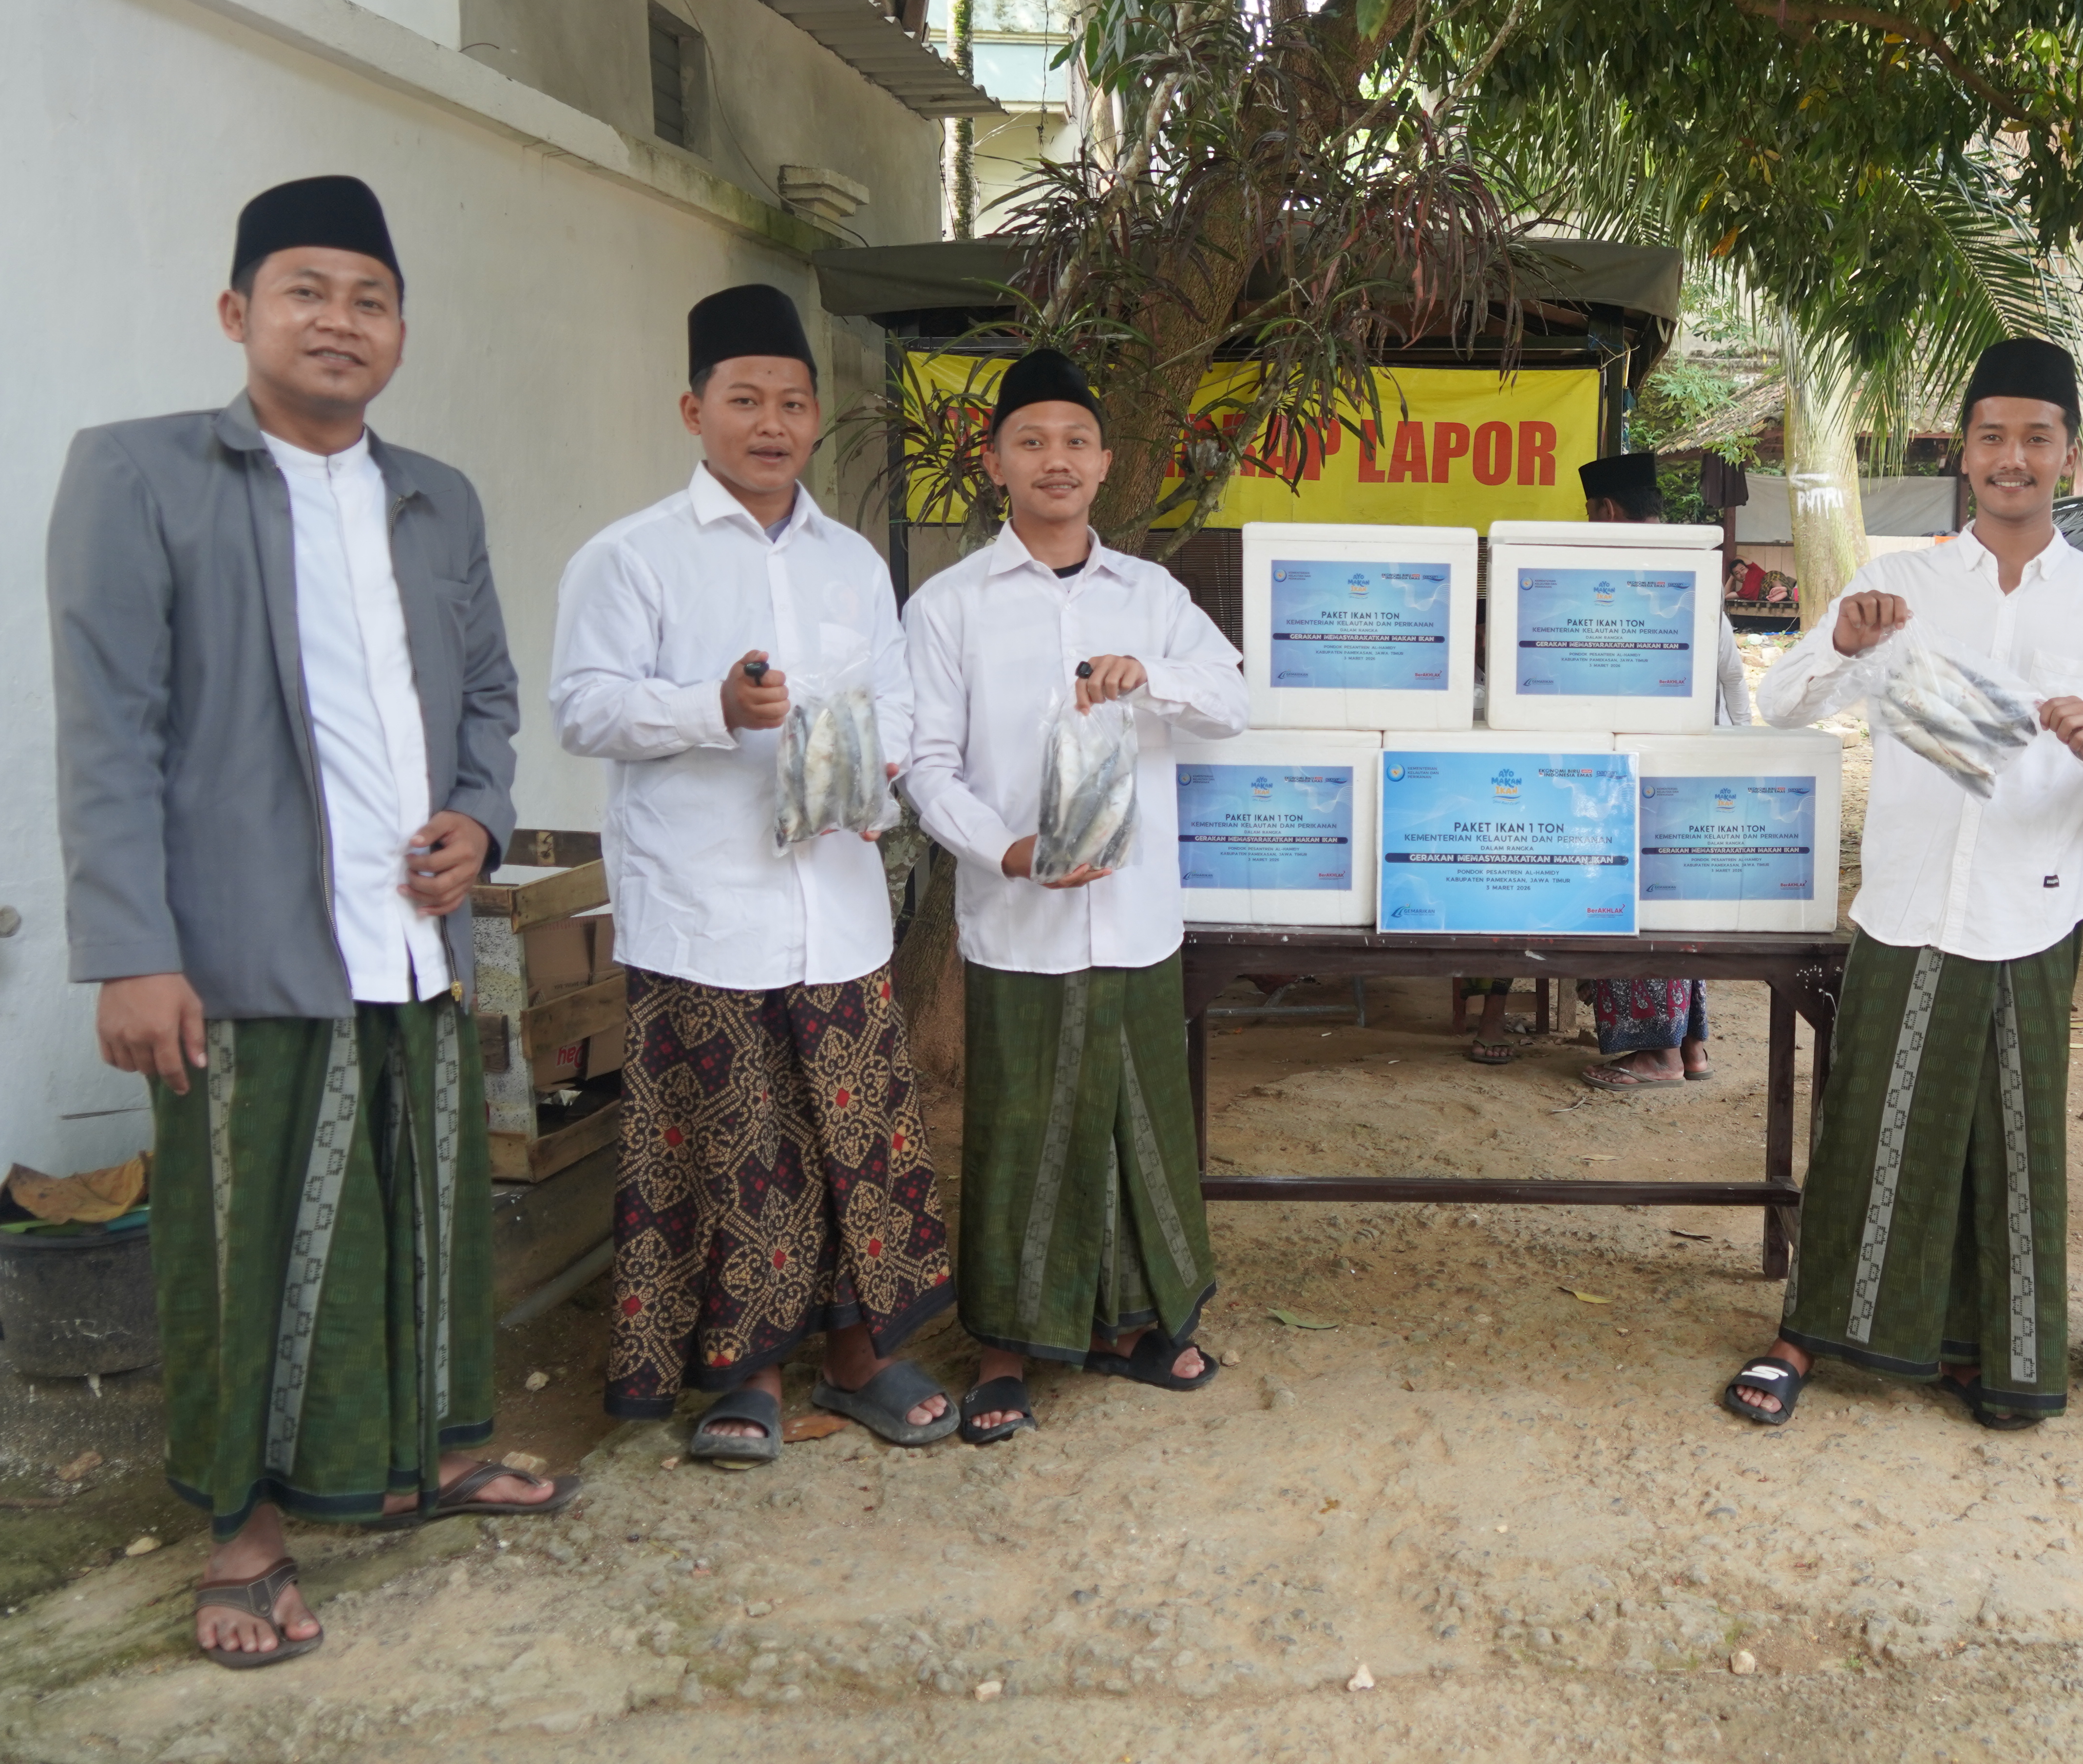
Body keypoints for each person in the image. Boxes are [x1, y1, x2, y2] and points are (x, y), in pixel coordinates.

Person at [48, 176, 573, 1668]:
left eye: (369, 297)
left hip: (415, 941)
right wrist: (131, 947)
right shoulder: (141, 477)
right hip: (238, 951)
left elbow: (482, 692)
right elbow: (108, 730)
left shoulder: (438, 496)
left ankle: (439, 1446)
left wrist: (476, 813)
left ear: (401, 329)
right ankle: (241, 1532)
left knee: (428, 1217)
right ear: (238, 314)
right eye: (306, 291)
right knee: (242, 1245)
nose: (339, 320)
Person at [1725, 337, 2083, 1429]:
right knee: (1872, 1117)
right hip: (1912, 897)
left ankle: (1997, 1352)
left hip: (2035, 899)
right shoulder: (1899, 579)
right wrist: (1836, 636)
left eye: (2036, 437)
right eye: (1992, 436)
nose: (2012, 457)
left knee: (2010, 1132)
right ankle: (1807, 1333)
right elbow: (1779, 706)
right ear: (1965, 453)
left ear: (2069, 454)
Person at [551, 284, 957, 1466]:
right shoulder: (630, 557)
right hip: (703, 912)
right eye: (744, 400)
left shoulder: (850, 564)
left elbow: (895, 697)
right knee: (740, 1148)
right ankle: (749, 1376)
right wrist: (710, 708)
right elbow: (583, 706)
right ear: (694, 409)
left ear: (815, 416)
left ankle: (862, 1357)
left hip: (834, 904)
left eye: (790, 401)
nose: (769, 423)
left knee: (854, 1144)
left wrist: (876, 766)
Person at [904, 347, 1251, 1441]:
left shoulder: (1152, 596)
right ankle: (1006, 1348)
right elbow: (922, 762)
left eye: (1074, 442)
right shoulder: (950, 604)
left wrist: (1158, 675)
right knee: (1023, 1127)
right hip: (1021, 913)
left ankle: (1140, 1321)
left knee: (1136, 1117)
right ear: (996, 461)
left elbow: (1233, 698)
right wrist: (1006, 851)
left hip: (1137, 912)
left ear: (1105, 464)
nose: (1055, 459)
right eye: (1031, 440)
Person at [1572, 450, 1746, 1088]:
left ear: (1607, 512)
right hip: (1700, 762)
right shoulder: (1690, 567)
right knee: (1678, 905)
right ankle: (1692, 1045)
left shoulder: (1621, 575)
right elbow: (1732, 675)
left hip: (1648, 766)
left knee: (1631, 901)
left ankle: (1658, 1055)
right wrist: (1737, 748)